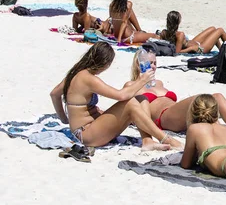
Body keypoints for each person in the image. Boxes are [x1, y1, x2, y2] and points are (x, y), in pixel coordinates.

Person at [50, 42, 182, 150]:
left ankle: (147, 141)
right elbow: (121, 96)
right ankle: (166, 138)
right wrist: (142, 81)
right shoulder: (88, 78)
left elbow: (54, 94)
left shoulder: (75, 74)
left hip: (89, 128)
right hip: (86, 134)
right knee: (131, 101)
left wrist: (64, 119)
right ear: (104, 63)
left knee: (141, 98)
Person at [128, 51, 226, 142]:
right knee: (206, 98)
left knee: (218, 97)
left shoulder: (159, 83)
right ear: (140, 64)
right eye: (149, 63)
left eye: (155, 63)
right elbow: (127, 107)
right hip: (164, 118)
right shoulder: (132, 85)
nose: (154, 66)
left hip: (177, 113)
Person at [159, 10, 226, 54]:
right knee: (220, 30)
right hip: (200, 49)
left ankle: (222, 50)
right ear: (178, 22)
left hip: (194, 42)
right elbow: (177, 52)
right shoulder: (180, 34)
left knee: (213, 29)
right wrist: (190, 49)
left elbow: (163, 44)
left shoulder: (163, 32)